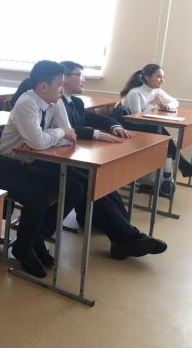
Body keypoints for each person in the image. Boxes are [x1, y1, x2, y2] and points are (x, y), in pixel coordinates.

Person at [59, 61, 167, 260]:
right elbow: (66, 130)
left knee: (104, 183)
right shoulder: (56, 103)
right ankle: (126, 238)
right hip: (60, 161)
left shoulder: (76, 102)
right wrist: (96, 134)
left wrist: (114, 125)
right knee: (93, 182)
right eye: (79, 75)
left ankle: (125, 234)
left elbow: (96, 119)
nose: (83, 79)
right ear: (63, 78)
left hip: (73, 157)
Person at [0, 60, 83, 278]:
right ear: (44, 86)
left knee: (75, 187)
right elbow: (43, 139)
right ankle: (23, 248)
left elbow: (70, 135)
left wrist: (47, 138)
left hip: (29, 163)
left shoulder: (54, 100)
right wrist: (52, 136)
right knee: (38, 199)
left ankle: (37, 236)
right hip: (5, 166)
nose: (62, 89)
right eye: (59, 85)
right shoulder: (27, 103)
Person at [119, 63, 192, 182]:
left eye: (163, 77)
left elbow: (175, 102)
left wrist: (167, 106)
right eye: (159, 77)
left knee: (162, 134)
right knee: (161, 133)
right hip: (130, 127)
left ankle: (179, 166)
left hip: (146, 125)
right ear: (147, 77)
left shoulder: (156, 90)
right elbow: (136, 118)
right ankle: (181, 164)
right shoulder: (135, 93)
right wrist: (153, 104)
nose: (162, 80)